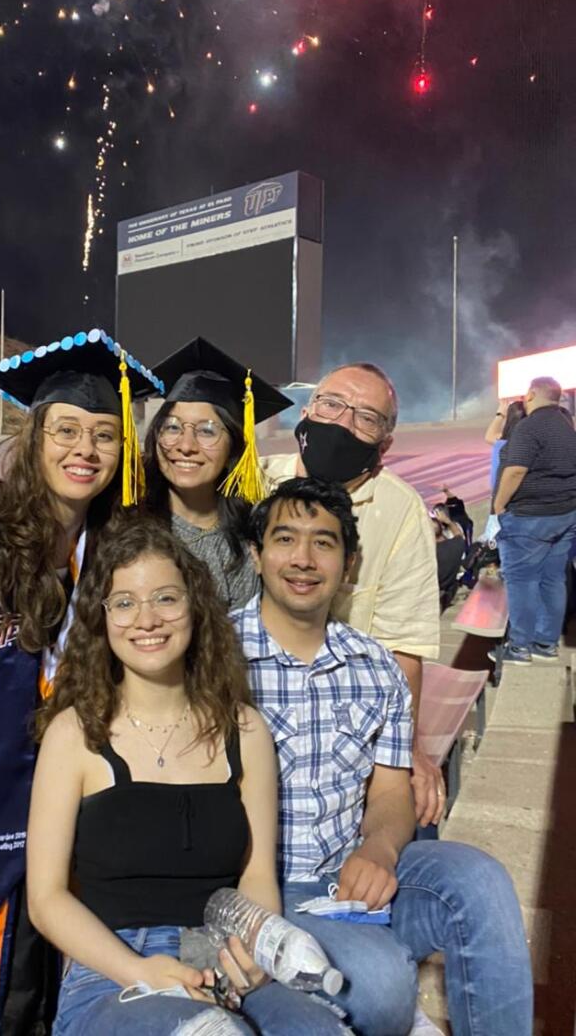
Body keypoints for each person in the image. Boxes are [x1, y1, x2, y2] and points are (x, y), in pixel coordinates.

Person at [0, 330, 163, 1035]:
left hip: (67, 810)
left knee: (42, 975)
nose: (84, 450)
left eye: (104, 435)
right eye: (66, 430)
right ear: (34, 437)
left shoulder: (118, 557)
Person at [233, 477, 533, 1036]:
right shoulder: (215, 661)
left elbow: (391, 790)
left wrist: (379, 846)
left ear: (349, 566)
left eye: (323, 543)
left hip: (351, 876)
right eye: (285, 540)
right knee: (378, 985)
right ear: (256, 555)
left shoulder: (374, 667)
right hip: (263, 886)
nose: (303, 559)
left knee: (480, 881)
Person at [27, 514, 349, 1035]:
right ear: (103, 619)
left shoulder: (244, 730)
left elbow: (257, 878)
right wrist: (138, 970)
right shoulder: (75, 734)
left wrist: (248, 954)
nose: (146, 619)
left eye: (165, 598)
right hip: (114, 966)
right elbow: (46, 899)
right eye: (125, 602)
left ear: (194, 607)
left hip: (223, 953)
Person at [260, 363, 444, 829]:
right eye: (332, 404)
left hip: (345, 721)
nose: (342, 423)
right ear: (308, 410)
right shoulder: (255, 481)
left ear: (384, 446)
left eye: (366, 417)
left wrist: (405, 752)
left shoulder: (399, 509)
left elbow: (404, 643)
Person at [141, 337, 291, 610]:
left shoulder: (251, 539)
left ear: (234, 445)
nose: (185, 446)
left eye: (207, 431)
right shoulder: (126, 520)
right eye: (172, 427)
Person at [493, 375, 576, 664]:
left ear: (530, 395)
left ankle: (519, 647)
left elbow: (515, 471)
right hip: (565, 515)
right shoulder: (568, 425)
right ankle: (546, 644)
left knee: (521, 581)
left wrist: (499, 505)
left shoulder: (529, 427)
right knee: (553, 579)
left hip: (529, 517)